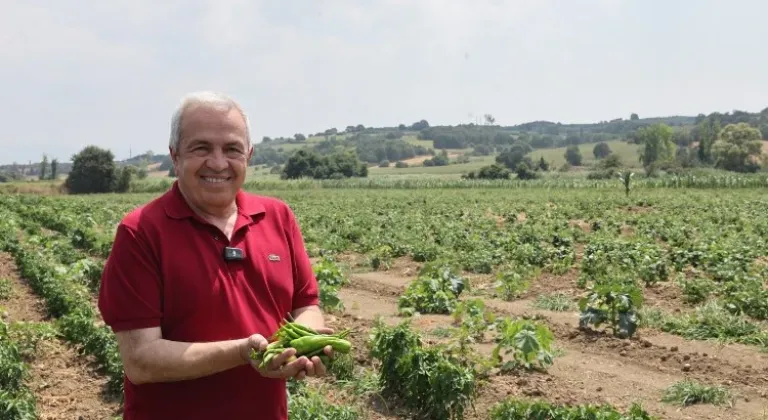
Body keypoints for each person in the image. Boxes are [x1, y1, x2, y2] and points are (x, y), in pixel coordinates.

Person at [97, 91, 333, 419]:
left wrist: (302, 347)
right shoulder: (141, 232)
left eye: (232, 149)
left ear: (248, 155)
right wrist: (241, 353)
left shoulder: (278, 217)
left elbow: (306, 304)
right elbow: (141, 360)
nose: (218, 163)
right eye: (201, 148)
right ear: (175, 156)